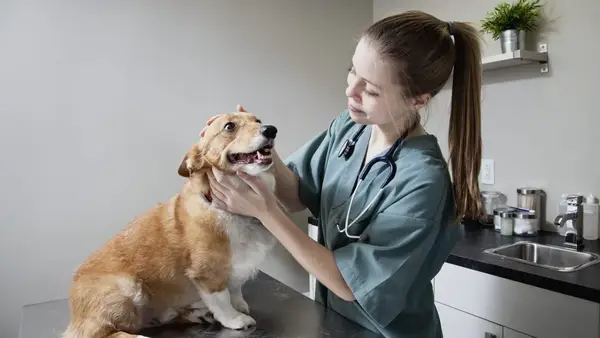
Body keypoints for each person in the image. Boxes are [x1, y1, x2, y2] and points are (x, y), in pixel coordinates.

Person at [204, 10, 484, 338]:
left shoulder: (423, 181)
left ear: (417, 100)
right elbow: (296, 195)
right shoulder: (351, 128)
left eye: (372, 90)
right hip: (334, 324)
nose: (352, 90)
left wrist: (265, 212)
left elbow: (350, 284)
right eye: (352, 71)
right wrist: (260, 143)